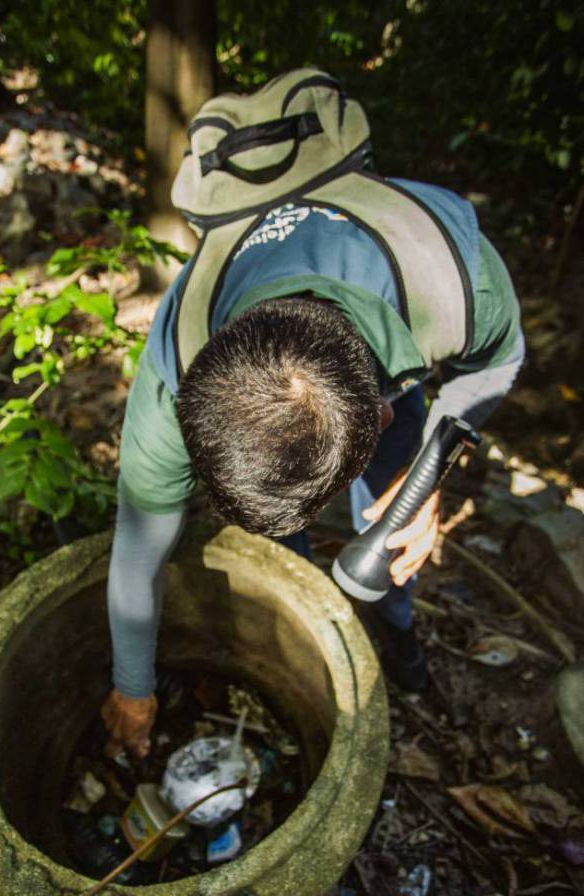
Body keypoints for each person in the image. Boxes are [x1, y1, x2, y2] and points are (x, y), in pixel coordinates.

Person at [101, 121, 525, 765]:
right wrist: (132, 689)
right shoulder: (172, 373)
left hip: (382, 336)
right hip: (326, 340)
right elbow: (137, 551)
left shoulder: (452, 278)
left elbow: (499, 359)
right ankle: (298, 602)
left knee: (393, 514)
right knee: (286, 543)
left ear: (378, 414)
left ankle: (397, 626)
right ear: (194, 414)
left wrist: (430, 472)